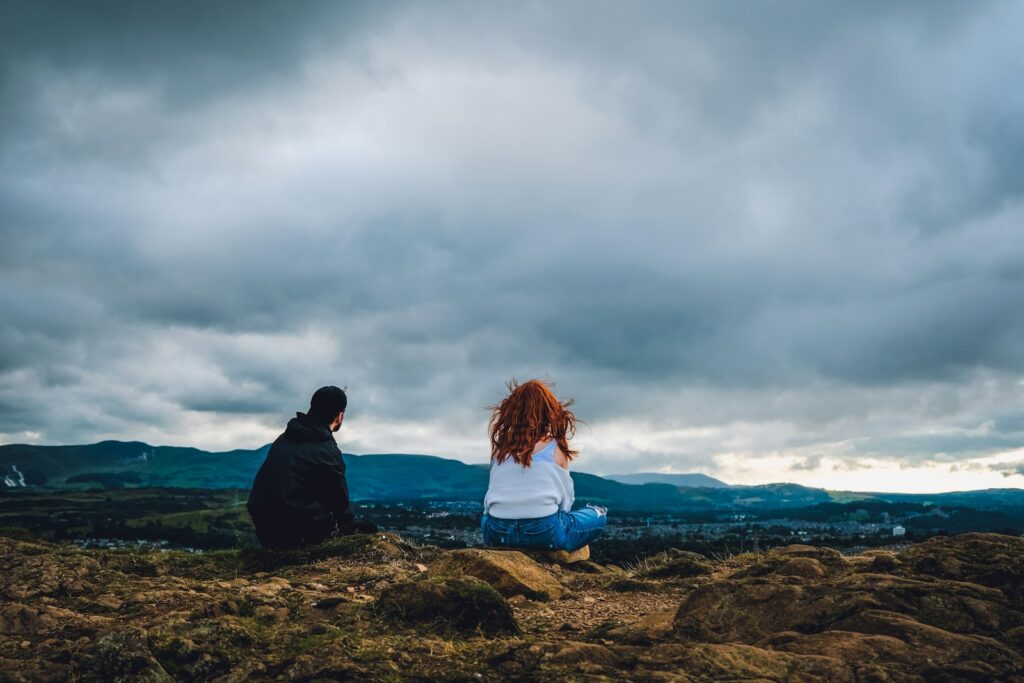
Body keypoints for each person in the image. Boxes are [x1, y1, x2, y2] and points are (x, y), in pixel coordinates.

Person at [481, 379, 607, 553]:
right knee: (598, 514)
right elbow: (565, 502)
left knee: (486, 518)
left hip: (498, 532)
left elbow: (490, 501)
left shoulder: (500, 449)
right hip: (544, 532)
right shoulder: (555, 447)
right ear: (549, 411)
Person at [247, 386, 377, 549]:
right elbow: (340, 506)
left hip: (265, 526)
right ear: (340, 415)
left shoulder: (285, 437)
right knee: (369, 530)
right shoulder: (326, 450)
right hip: (297, 532)